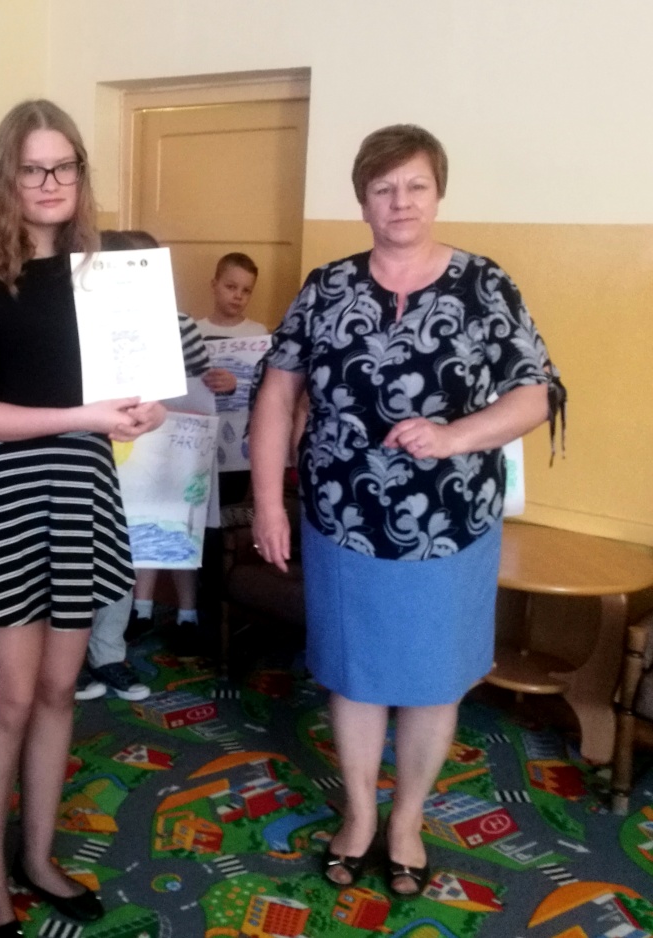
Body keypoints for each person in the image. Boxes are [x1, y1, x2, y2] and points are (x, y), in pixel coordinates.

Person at [250, 124, 554, 899]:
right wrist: (268, 502)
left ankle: (408, 819)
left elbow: (535, 393)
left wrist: (454, 436)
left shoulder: (485, 285)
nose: (400, 201)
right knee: (354, 675)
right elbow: (277, 395)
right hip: (341, 518)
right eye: (382, 188)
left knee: (432, 680)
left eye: (416, 185)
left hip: (451, 524)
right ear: (362, 201)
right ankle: (359, 814)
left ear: (438, 191)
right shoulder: (326, 286)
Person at [0, 100, 165, 937]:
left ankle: (37, 856)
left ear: (81, 173)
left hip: (78, 490)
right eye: (33, 168)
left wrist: (140, 411)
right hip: (2, 499)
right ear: (8, 177)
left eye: (65, 166)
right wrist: (86, 417)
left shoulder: (106, 274)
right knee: (10, 700)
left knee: (60, 691)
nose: (51, 182)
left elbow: (124, 392)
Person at [75, 228, 211, 693]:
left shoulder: (166, 323)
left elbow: (187, 386)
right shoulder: (73, 319)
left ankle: (107, 654)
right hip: (77, 451)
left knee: (121, 548)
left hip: (138, 452)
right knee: (75, 556)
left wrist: (157, 409)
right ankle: (66, 661)